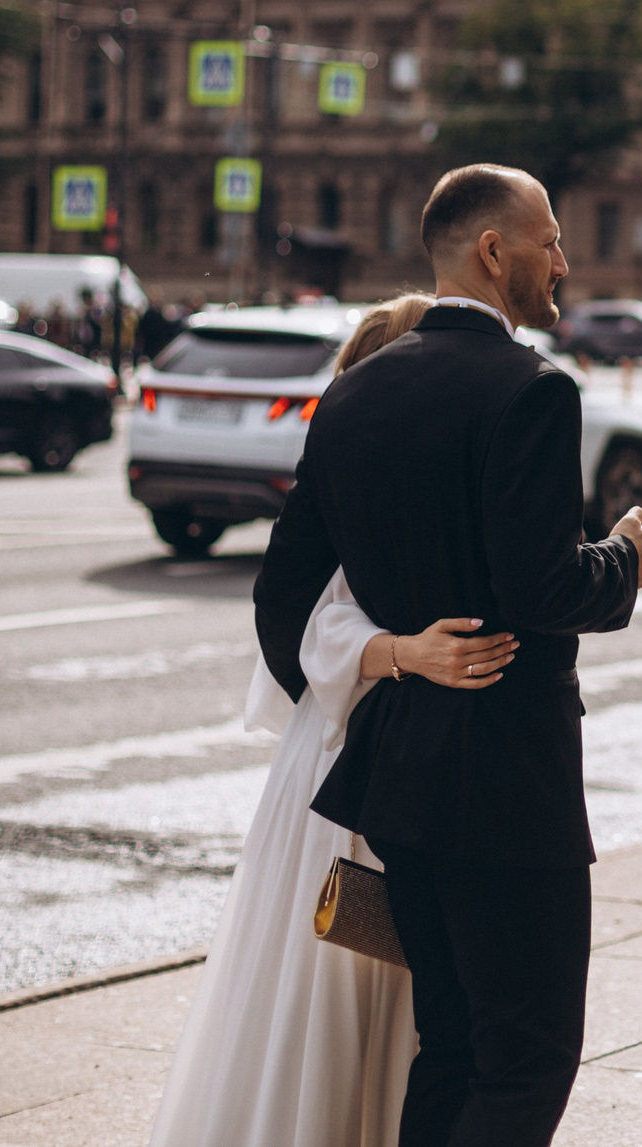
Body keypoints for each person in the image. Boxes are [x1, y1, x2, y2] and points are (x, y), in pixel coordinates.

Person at [254, 164, 642, 1147]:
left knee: (447, 1043)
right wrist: (627, 561)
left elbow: (282, 608)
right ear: (495, 251)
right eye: (551, 240)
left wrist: (395, 655)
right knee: (524, 1059)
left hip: (398, 780)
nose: (563, 262)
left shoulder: (350, 397)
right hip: (506, 783)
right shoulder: (531, 390)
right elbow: (545, 594)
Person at [148, 295, 519, 1146]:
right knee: (336, 984)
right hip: (341, 774)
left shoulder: (393, 465)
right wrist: (402, 651)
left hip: (384, 762)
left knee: (401, 999)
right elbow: (304, 616)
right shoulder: (362, 471)